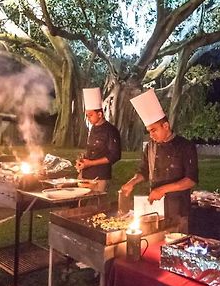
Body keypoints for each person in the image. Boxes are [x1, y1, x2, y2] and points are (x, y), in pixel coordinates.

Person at [120, 89, 198, 232]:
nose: (151, 135)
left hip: (177, 209)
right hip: (155, 208)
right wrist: (132, 182)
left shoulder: (185, 146)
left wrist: (162, 189)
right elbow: (143, 171)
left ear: (166, 126)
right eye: (149, 131)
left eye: (154, 130)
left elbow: (191, 180)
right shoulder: (150, 146)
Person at [76, 87, 121, 192]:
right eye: (87, 115)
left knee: (95, 205)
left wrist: (91, 163)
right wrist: (82, 160)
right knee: (81, 204)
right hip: (85, 173)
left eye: (90, 115)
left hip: (99, 177)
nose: (88, 118)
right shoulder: (92, 128)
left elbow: (115, 156)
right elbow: (92, 150)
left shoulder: (111, 130)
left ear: (100, 114)